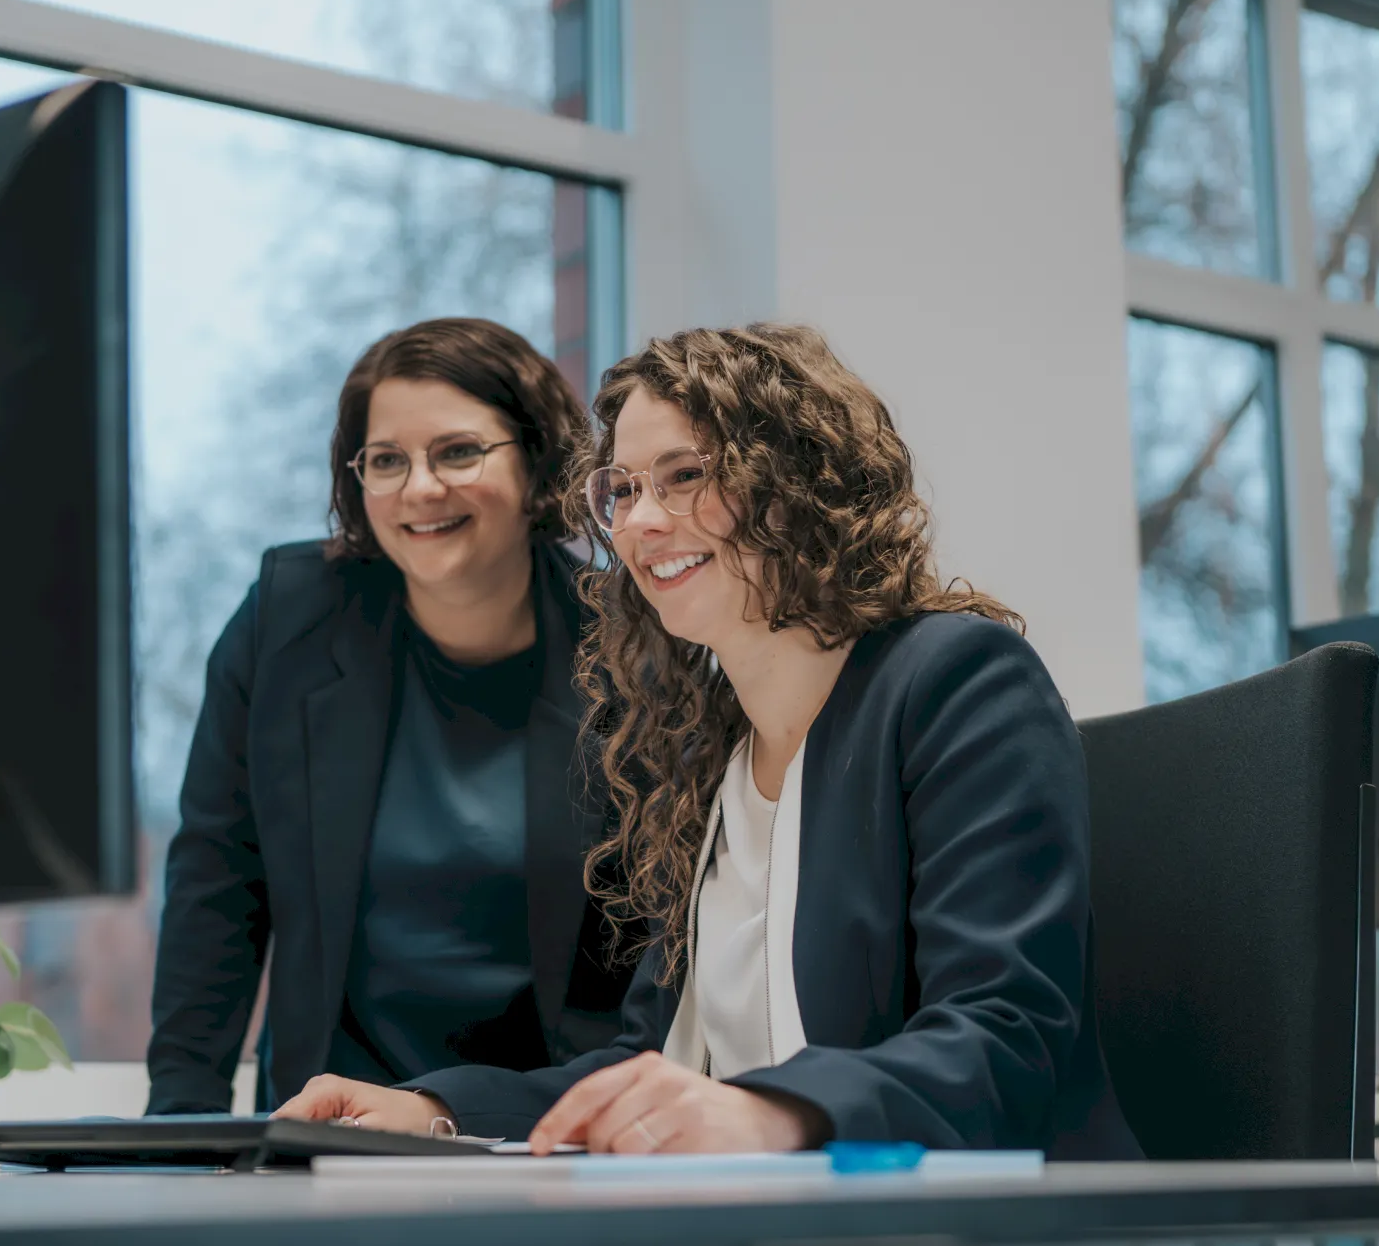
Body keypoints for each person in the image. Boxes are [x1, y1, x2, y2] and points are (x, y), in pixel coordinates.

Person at [275, 323, 1140, 1158]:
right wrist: (434, 1108)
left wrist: (767, 1115)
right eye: (622, 490)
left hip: (980, 1220)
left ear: (798, 481)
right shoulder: (709, 753)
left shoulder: (956, 681)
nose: (640, 522)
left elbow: (1003, 1038)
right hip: (782, 1215)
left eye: (685, 476)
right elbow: (650, 1066)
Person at [146, 317, 632, 1115]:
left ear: (538, 460)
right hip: (325, 1125)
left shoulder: (628, 653)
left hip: (539, 1132)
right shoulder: (287, 621)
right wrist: (179, 1128)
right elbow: (218, 882)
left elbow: (651, 971)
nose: (420, 489)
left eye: (458, 451)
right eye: (386, 460)